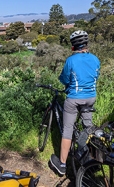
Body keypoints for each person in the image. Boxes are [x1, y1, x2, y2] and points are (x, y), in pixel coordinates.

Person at [49, 30, 100, 176]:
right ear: (86, 44)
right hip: (91, 97)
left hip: (74, 98)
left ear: (73, 46)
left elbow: (65, 78)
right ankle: (93, 160)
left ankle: (62, 165)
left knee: (68, 130)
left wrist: (66, 82)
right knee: (88, 128)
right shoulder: (95, 59)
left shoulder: (71, 60)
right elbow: (96, 75)